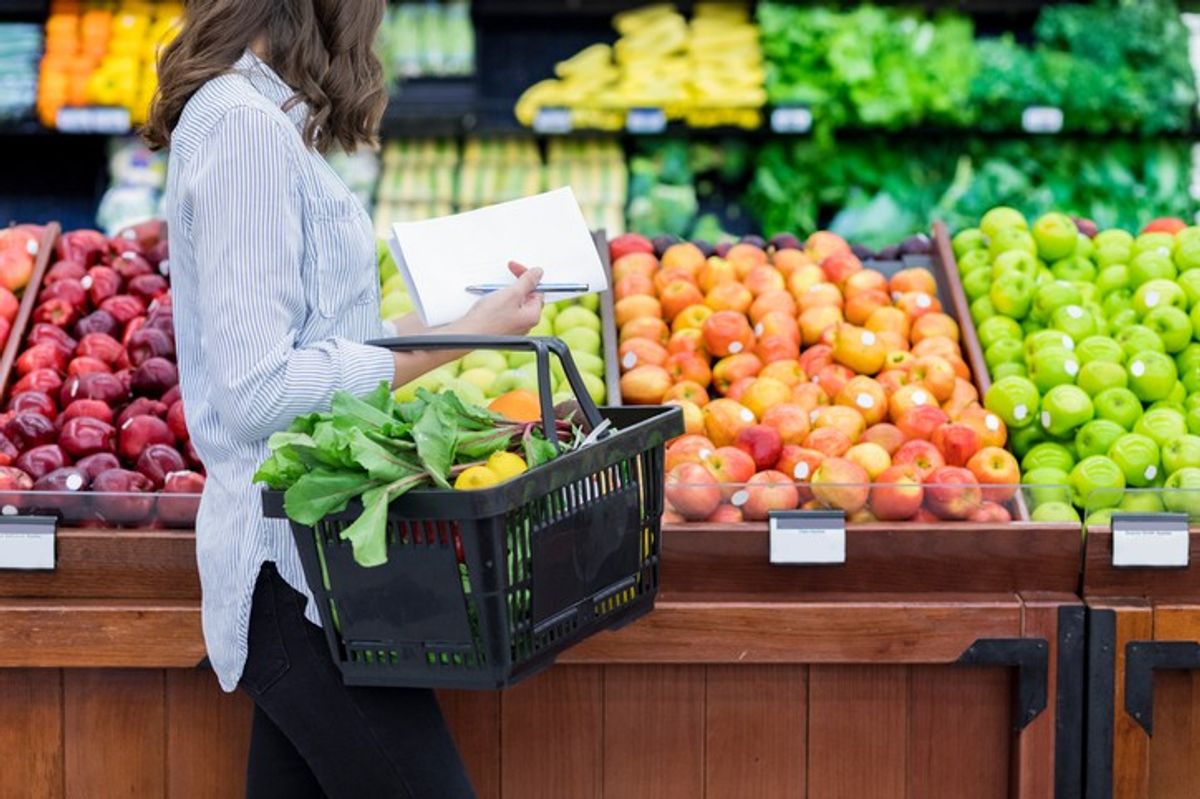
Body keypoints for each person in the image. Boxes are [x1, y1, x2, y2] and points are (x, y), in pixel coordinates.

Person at [144, 2, 543, 796]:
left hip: (322, 571)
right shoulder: (244, 131)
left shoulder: (257, 117)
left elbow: (325, 336)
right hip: (294, 577)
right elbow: (261, 388)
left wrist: (464, 321)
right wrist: (454, 343)